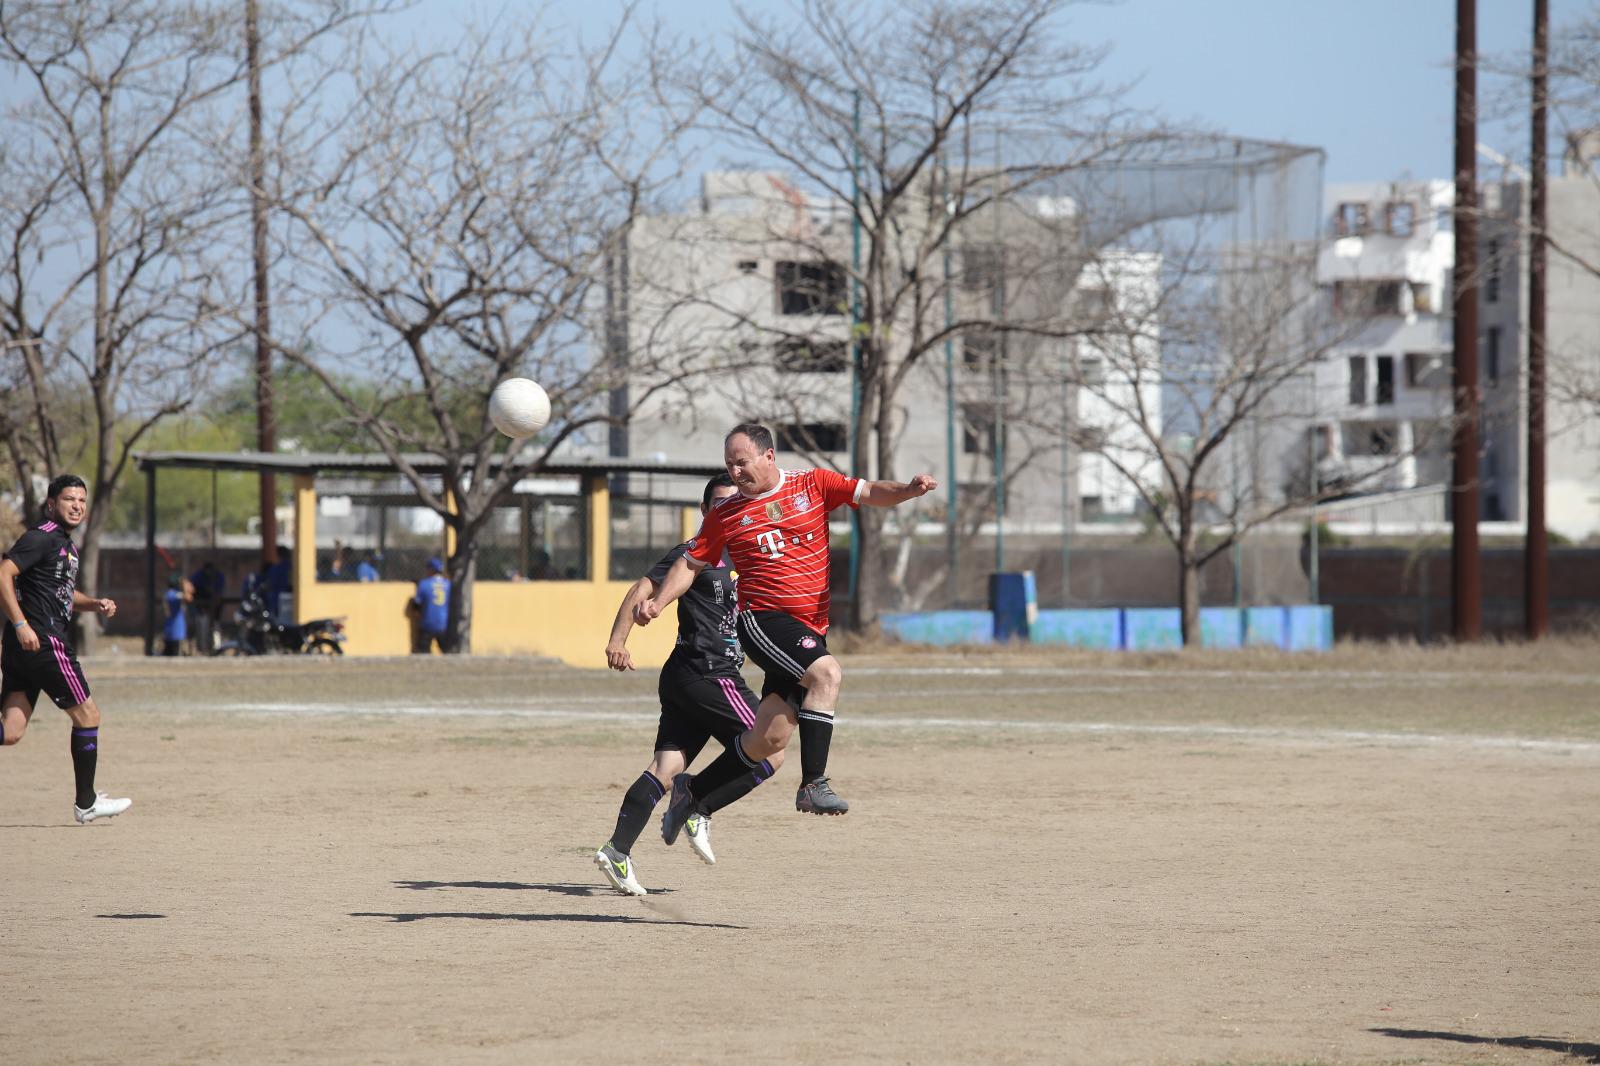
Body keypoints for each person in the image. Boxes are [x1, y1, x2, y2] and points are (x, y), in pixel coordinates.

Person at [637, 423, 935, 830]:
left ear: (769, 456)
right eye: (729, 465)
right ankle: (814, 783)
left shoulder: (812, 484)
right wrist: (658, 601)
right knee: (827, 674)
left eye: (742, 463)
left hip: (809, 629)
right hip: (763, 620)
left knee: (769, 739)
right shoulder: (725, 514)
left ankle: (696, 795)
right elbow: (690, 564)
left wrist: (906, 491)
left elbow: (868, 493)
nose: (736, 472)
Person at [593, 473, 783, 897]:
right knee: (773, 748)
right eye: (718, 503)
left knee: (665, 768)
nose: (727, 509)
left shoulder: (745, 554)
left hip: (688, 676)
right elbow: (644, 586)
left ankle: (617, 851)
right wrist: (618, 639)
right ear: (704, 511)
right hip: (708, 671)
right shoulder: (694, 553)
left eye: (735, 502)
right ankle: (698, 803)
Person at [0, 474, 132, 824]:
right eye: (69, 499)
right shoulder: (41, 537)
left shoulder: (65, 545)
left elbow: (61, 593)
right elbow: (3, 573)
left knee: (11, 731)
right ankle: (86, 803)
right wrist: (21, 623)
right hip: (43, 642)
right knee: (88, 716)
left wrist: (94, 603)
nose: (77, 506)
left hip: (23, 648)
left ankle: (87, 801)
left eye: (82, 501)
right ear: (51, 504)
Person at [412, 557, 450, 654]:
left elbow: (417, 604)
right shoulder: (448, 585)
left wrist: (417, 614)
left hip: (427, 623)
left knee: (423, 651)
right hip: (444, 623)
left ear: (431, 570)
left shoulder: (424, 584)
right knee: (447, 651)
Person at [188, 560, 224, 653]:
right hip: (201, 607)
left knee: (215, 628)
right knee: (202, 626)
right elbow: (190, 587)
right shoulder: (199, 576)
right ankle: (202, 649)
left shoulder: (219, 576)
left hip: (215, 608)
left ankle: (217, 648)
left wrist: (215, 603)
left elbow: (219, 595)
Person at [162, 574, 189, 657]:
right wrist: (184, 585)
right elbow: (187, 597)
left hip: (171, 629)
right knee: (174, 655)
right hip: (175, 630)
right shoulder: (172, 594)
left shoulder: (169, 593)